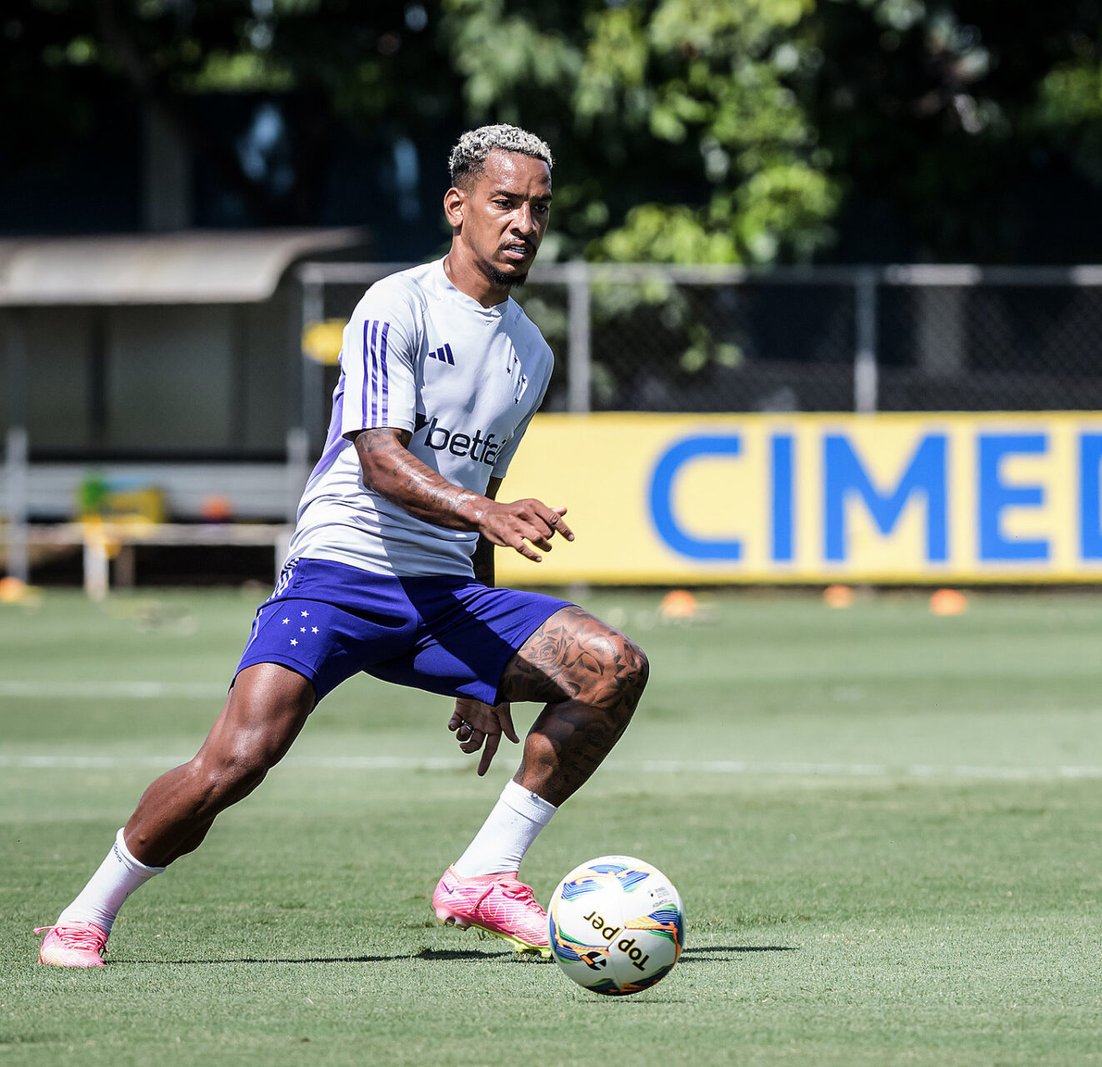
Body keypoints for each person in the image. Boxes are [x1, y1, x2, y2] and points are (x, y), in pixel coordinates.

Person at [35, 124, 648, 968]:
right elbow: (382, 461)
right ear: (457, 207)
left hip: (445, 597)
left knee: (611, 665)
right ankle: (84, 913)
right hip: (340, 572)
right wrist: (479, 513)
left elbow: (488, 503)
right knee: (237, 760)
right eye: (505, 202)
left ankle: (485, 872)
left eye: (539, 208)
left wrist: (488, 673)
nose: (524, 223)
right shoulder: (395, 304)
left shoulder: (530, 353)